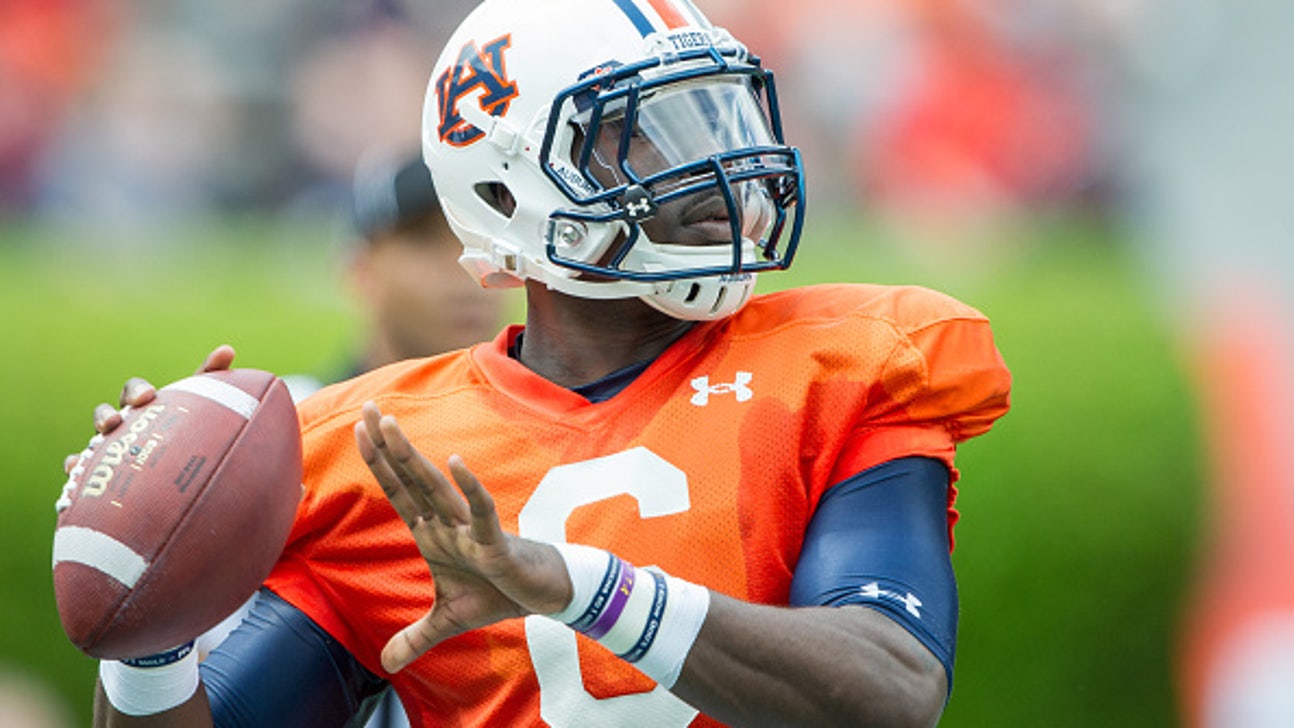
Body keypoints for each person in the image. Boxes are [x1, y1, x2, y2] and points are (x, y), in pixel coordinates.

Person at [73, 0, 1011, 725]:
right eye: (649, 131)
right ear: (505, 185)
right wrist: (153, 622)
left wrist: (573, 587)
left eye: (717, 117)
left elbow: (891, 689)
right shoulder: (385, 455)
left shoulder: (842, 365)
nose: (719, 163)